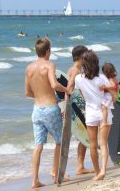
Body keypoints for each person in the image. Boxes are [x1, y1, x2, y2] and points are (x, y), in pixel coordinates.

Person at [25, 38, 70, 188]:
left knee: (38, 145)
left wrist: (40, 95)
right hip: (50, 108)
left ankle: (34, 181)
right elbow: (54, 84)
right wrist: (67, 90)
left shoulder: (29, 68)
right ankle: (56, 174)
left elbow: (27, 92)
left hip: (36, 110)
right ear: (48, 51)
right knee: (60, 141)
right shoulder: (49, 65)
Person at [75, 50, 112, 180]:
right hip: (103, 112)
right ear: (96, 63)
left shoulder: (78, 79)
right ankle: (103, 170)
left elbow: (82, 94)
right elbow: (111, 93)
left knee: (92, 144)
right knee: (103, 143)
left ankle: (97, 172)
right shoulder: (102, 78)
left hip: (90, 113)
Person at [66, 45, 94, 175]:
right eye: (85, 55)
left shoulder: (74, 69)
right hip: (77, 109)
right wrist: (67, 106)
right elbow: (70, 88)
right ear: (80, 56)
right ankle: (79, 166)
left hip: (78, 107)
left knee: (83, 137)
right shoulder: (75, 71)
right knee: (84, 136)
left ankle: (80, 166)